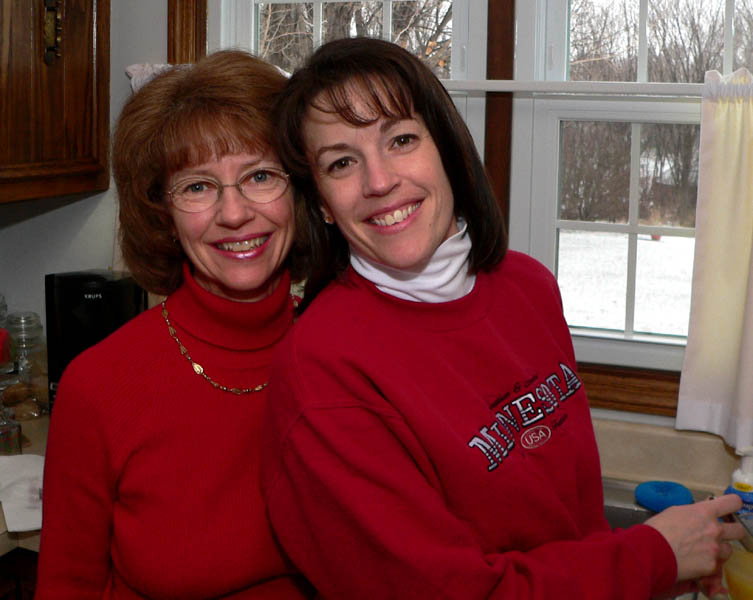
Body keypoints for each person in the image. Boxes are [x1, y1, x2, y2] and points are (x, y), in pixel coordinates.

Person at [260, 37, 744, 600]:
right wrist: (652, 556)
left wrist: (663, 556)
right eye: (341, 162)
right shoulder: (323, 370)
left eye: (401, 139)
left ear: (446, 148)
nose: (379, 181)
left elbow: (566, 525)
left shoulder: (527, 287)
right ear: (321, 202)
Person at [35, 50, 312, 599]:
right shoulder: (100, 386)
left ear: (301, 192)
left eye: (260, 175)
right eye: (197, 186)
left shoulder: (344, 352)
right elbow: (67, 586)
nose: (234, 214)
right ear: (162, 212)